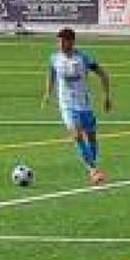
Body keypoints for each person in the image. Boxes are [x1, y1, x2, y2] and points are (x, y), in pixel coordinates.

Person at [43, 28, 112, 186]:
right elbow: (51, 72)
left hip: (84, 104)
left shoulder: (83, 58)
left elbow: (103, 73)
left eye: (62, 41)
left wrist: (106, 96)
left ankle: (92, 166)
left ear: (71, 41)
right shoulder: (54, 58)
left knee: (91, 136)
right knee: (76, 135)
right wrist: (48, 92)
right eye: (58, 41)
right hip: (67, 105)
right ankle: (93, 170)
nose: (59, 44)